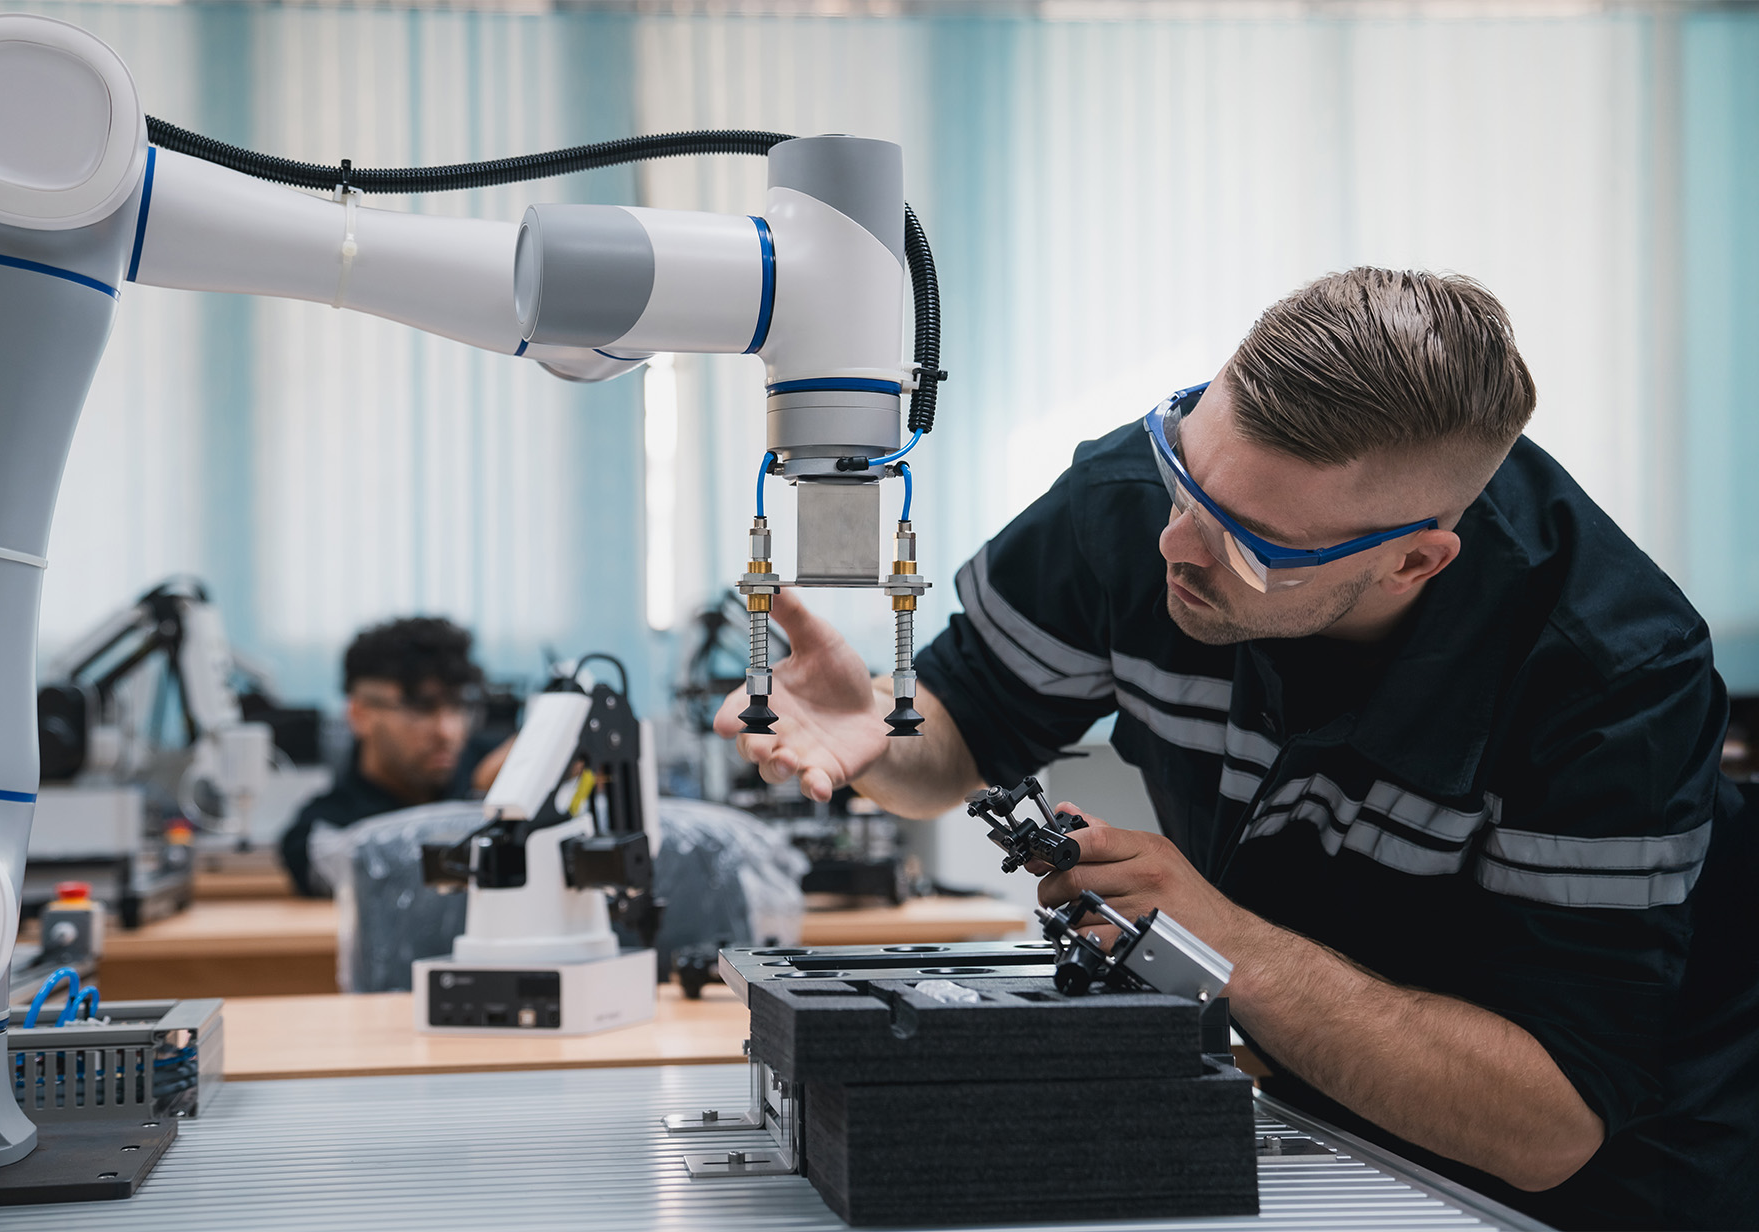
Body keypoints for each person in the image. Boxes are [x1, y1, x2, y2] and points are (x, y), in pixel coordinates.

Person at [718, 268, 1758, 1231]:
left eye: (1248, 543)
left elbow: (1545, 1125)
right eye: (1181, 473)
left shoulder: (1608, 673)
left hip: (1615, 1171)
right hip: (1316, 1098)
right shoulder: (1138, 506)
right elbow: (956, 740)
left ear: (1411, 560)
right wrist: (879, 731)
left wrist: (1218, 937)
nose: (1175, 543)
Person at [282, 616, 510, 895]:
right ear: (359, 714)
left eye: (458, 706)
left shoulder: (500, 765)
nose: (447, 731)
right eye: (421, 707)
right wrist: (480, 804)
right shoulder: (328, 827)